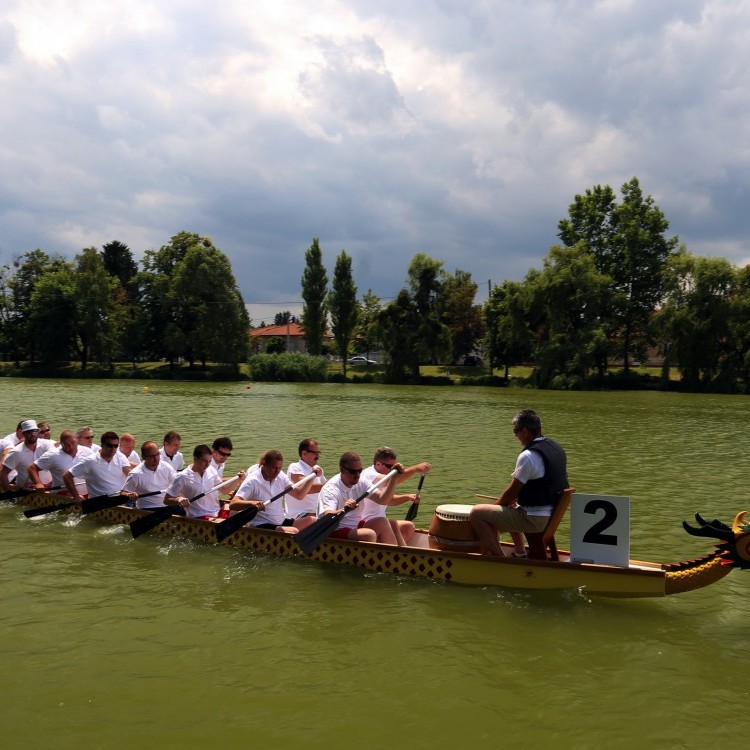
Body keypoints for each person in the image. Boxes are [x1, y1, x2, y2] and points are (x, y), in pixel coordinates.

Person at [469, 408, 568, 558]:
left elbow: (512, 491)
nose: (516, 436)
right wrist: (507, 503)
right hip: (551, 515)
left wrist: (495, 506)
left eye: (516, 431)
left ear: (525, 431)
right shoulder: (556, 448)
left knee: (477, 513)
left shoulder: (528, 456)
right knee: (511, 506)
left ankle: (499, 559)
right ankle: (521, 552)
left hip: (534, 519)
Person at [229, 449, 322, 533]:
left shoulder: (281, 476)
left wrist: (311, 477)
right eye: (274, 468)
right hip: (260, 525)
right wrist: (251, 503)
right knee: (293, 531)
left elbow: (299, 494)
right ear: (264, 464)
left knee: (313, 520)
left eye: (280, 468)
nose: (277, 472)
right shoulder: (253, 481)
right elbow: (233, 504)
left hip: (280, 521)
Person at [318, 451, 402, 543]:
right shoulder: (331, 489)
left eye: (359, 471)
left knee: (382, 522)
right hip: (333, 530)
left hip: (355, 525)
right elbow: (328, 517)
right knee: (368, 534)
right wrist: (344, 509)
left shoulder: (361, 482)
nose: (357, 475)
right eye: (353, 472)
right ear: (342, 470)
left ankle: (392, 556)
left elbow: (383, 500)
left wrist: (393, 480)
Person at [360, 446, 431, 545]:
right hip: (365, 524)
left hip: (381, 522)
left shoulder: (383, 476)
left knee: (408, 526)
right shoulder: (368, 475)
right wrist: (415, 469)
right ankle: (395, 552)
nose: (393, 471)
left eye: (395, 467)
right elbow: (391, 480)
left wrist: (407, 497)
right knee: (387, 523)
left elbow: (389, 500)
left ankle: (396, 548)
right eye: (390, 467)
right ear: (378, 464)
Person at [165, 444, 235, 520]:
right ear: (195, 459)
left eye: (210, 461)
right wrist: (178, 499)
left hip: (216, 512)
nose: (207, 465)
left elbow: (224, 490)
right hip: (199, 516)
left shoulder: (211, 470)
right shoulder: (182, 477)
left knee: (237, 509)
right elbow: (167, 500)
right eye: (204, 461)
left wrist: (239, 480)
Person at [63, 431, 132, 502]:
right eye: (109, 445)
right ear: (102, 445)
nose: (113, 449)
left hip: (121, 498)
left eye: (115, 446)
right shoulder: (90, 461)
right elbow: (67, 476)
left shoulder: (121, 457)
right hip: (100, 503)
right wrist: (76, 496)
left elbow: (130, 475)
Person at [28, 430, 93, 492]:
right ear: (61, 444)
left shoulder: (88, 452)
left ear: (77, 441)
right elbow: (32, 468)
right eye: (66, 444)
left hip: (87, 494)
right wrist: (38, 483)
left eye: (72, 442)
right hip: (62, 494)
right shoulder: (52, 455)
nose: (70, 446)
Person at [0, 419, 56, 490]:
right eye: (29, 432)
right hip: (25, 489)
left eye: (34, 431)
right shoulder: (16, 452)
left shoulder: (47, 444)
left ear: (38, 432)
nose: (32, 434)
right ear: (23, 434)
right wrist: (8, 491)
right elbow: (3, 473)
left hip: (49, 487)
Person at [120, 441, 177, 509]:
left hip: (168, 505)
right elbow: (123, 492)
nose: (156, 459)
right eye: (152, 456)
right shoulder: (135, 474)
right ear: (144, 457)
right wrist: (129, 494)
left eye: (157, 454)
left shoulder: (166, 467)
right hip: (147, 509)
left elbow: (177, 484)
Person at [286, 438, 327, 519]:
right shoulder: (295, 467)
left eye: (318, 453)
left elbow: (326, 491)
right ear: (304, 453)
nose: (317, 456)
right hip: (299, 515)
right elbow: (308, 488)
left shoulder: (318, 468)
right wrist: (329, 485)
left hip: (317, 512)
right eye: (314, 453)